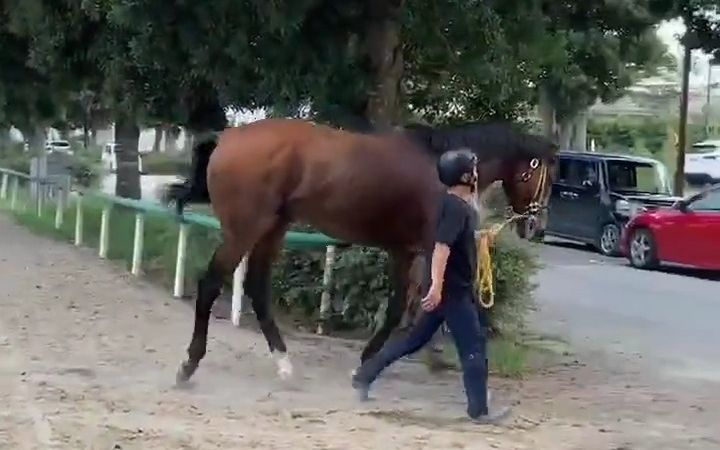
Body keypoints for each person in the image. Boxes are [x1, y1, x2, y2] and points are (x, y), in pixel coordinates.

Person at [351, 148, 511, 424]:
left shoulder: (455, 206)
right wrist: (436, 287)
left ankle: (365, 376)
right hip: (452, 292)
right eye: (473, 169)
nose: (477, 172)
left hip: (450, 290)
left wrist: (480, 237)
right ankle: (479, 410)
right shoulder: (456, 209)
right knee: (473, 345)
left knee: (414, 341)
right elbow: (441, 248)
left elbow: (454, 241)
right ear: (464, 176)